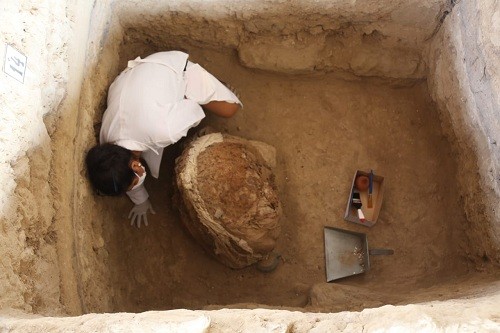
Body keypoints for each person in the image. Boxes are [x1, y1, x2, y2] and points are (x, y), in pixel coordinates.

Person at [86, 51, 242, 228]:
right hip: (129, 78)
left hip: (172, 69)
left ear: (137, 166)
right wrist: (141, 201)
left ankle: (216, 84)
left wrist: (178, 100)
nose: (133, 187)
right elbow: (125, 172)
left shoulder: (165, 130)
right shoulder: (107, 145)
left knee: (230, 109)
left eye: (132, 185)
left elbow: (194, 110)